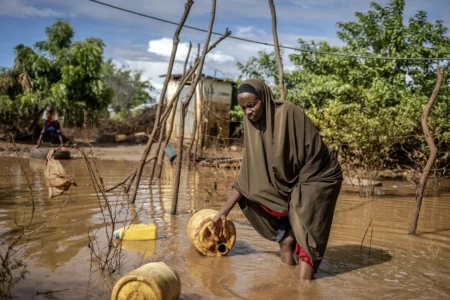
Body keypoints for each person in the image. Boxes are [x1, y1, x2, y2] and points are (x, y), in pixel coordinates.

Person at [212, 79, 343, 280]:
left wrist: (296, 201)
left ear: (264, 99)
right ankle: (286, 287)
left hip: (319, 175)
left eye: (252, 104)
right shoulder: (252, 127)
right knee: (286, 242)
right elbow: (246, 178)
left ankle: (304, 288)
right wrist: (223, 211)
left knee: (305, 234)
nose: (248, 112)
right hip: (295, 180)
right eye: (244, 108)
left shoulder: (289, 113)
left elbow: (314, 154)